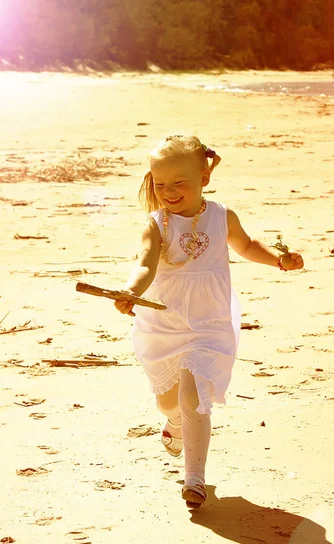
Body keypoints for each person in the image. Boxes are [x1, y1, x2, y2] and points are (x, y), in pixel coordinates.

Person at [114, 134, 304, 508]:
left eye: (179, 182)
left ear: (204, 177)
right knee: (168, 404)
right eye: (160, 183)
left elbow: (247, 246)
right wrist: (130, 291)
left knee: (194, 396)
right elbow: (145, 264)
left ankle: (194, 478)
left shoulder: (221, 216)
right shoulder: (156, 225)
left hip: (209, 322)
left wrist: (279, 260)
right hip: (164, 325)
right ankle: (175, 425)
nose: (168, 191)